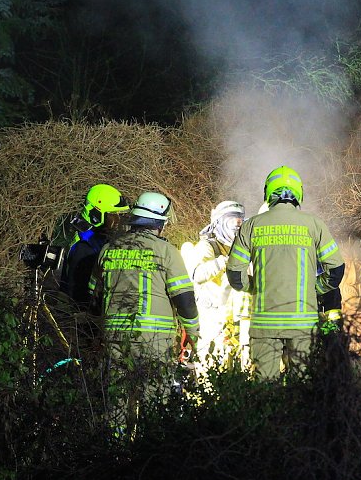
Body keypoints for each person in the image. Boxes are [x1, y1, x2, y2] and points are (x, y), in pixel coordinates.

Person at [89, 191, 199, 435]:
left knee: (115, 404)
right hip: (154, 340)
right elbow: (185, 300)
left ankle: (113, 457)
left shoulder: (109, 249)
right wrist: (194, 335)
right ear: (160, 223)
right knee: (154, 403)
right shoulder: (166, 251)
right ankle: (149, 460)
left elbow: (93, 296)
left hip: (114, 338)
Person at [226, 165, 344, 379]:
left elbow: (235, 274)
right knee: (301, 387)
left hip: (264, 323)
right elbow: (335, 269)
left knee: (264, 387)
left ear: (268, 192)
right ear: (298, 192)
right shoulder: (314, 225)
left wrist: (255, 286)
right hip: (303, 324)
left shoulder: (251, 226)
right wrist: (315, 288)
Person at [180, 200, 248, 366]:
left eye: (240, 221)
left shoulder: (243, 249)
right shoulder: (207, 246)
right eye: (232, 221)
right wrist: (225, 261)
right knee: (209, 374)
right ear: (220, 222)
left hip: (236, 323)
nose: (236, 226)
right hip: (211, 323)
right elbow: (197, 274)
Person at [60, 184, 130, 306]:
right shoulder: (85, 244)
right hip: (81, 315)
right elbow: (78, 291)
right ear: (96, 215)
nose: (118, 220)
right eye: (114, 215)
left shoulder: (96, 237)